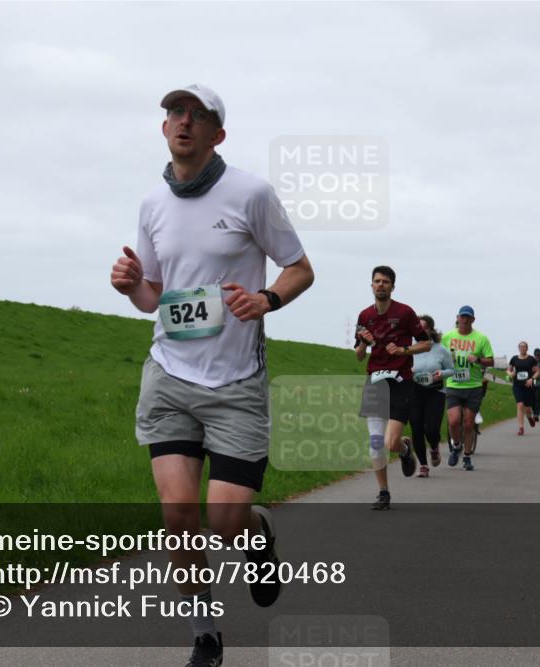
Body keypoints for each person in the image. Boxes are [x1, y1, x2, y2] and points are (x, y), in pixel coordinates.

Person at [110, 84, 314, 667]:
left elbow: (300, 268)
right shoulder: (152, 203)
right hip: (170, 375)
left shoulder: (250, 193)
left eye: (199, 116)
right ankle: (205, 633)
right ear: (164, 126)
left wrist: (266, 300)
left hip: (235, 384)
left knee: (225, 524)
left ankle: (258, 532)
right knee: (177, 517)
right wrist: (131, 285)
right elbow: (153, 298)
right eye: (176, 112)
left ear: (217, 134)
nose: (185, 122)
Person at [355, 266, 432, 508]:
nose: (380, 285)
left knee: (391, 443)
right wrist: (363, 344)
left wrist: (403, 350)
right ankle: (384, 492)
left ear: (392, 286)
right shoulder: (364, 316)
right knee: (376, 444)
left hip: (401, 381)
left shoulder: (405, 312)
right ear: (371, 285)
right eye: (376, 281)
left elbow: (426, 343)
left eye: (385, 282)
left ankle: (405, 448)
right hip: (376, 381)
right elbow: (358, 355)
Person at [442, 306, 494, 471]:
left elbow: (490, 361)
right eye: (462, 317)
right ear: (457, 318)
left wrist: (478, 359)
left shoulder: (481, 338)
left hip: (473, 385)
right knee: (454, 421)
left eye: (468, 317)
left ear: (473, 319)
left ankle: (467, 456)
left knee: (469, 423)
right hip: (453, 384)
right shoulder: (447, 337)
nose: (464, 320)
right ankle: (456, 445)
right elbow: (439, 355)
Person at [408, 315, 454, 477]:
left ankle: (434, 447)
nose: (419, 331)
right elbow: (403, 369)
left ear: (430, 329)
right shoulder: (410, 349)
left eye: (423, 327)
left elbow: (451, 370)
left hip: (436, 392)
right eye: (417, 328)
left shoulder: (441, 349)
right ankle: (423, 465)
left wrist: (442, 373)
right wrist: (409, 372)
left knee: (432, 429)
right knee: (416, 427)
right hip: (415, 391)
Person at [508, 342, 540, 435]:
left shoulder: (531, 359)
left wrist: (532, 379)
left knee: (528, 408)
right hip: (517, 385)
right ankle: (521, 428)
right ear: (518, 348)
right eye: (521, 347)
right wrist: (510, 374)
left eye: (524, 347)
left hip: (528, 385)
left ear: (527, 348)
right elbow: (508, 369)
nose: (523, 348)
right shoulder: (514, 359)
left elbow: (537, 371)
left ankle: (529, 417)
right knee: (520, 405)